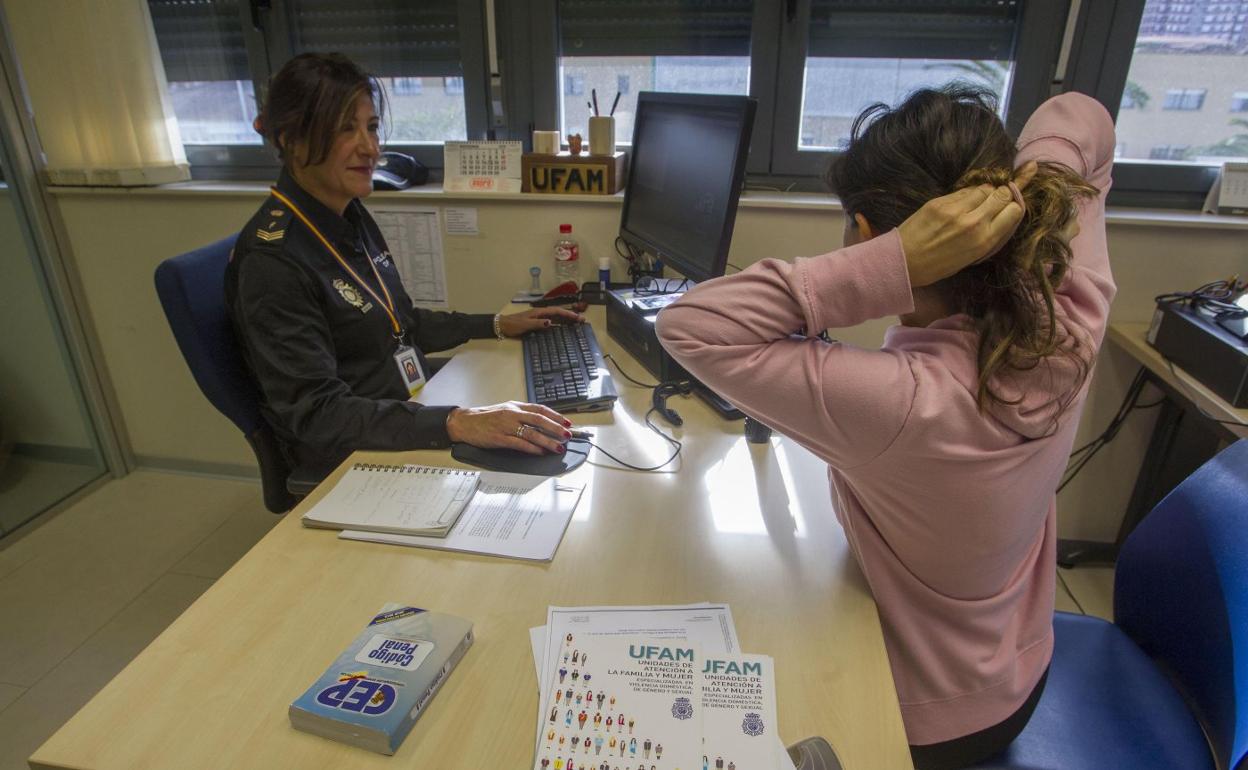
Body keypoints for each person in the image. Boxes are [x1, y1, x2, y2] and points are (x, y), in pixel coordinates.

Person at [657, 87, 1115, 769]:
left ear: (867, 235)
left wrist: (893, 263)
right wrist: (1032, 183)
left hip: (928, 723)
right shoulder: (1069, 312)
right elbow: (1079, 113)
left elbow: (690, 326)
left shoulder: (904, 403)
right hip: (1023, 673)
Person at [226, 53, 580, 476]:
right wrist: (455, 422)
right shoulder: (274, 261)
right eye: (344, 128)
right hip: (352, 452)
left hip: (403, 406)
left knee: (537, 416)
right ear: (290, 139)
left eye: (371, 127)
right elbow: (319, 415)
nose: (370, 147)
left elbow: (400, 324)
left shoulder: (347, 213)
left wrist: (499, 324)